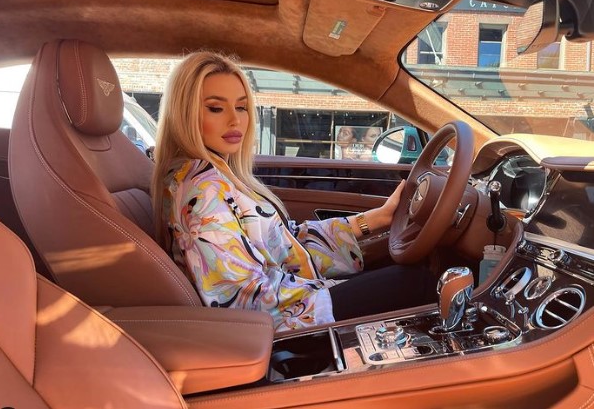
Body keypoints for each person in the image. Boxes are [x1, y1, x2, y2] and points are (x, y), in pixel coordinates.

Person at [152, 51, 437, 332]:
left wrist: (378, 218)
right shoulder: (203, 192)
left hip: (285, 303)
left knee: (404, 278)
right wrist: (324, 291)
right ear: (185, 113)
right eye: (216, 108)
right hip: (280, 323)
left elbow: (286, 241)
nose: (235, 120)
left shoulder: (211, 176)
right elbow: (243, 297)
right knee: (419, 283)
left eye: (241, 107)